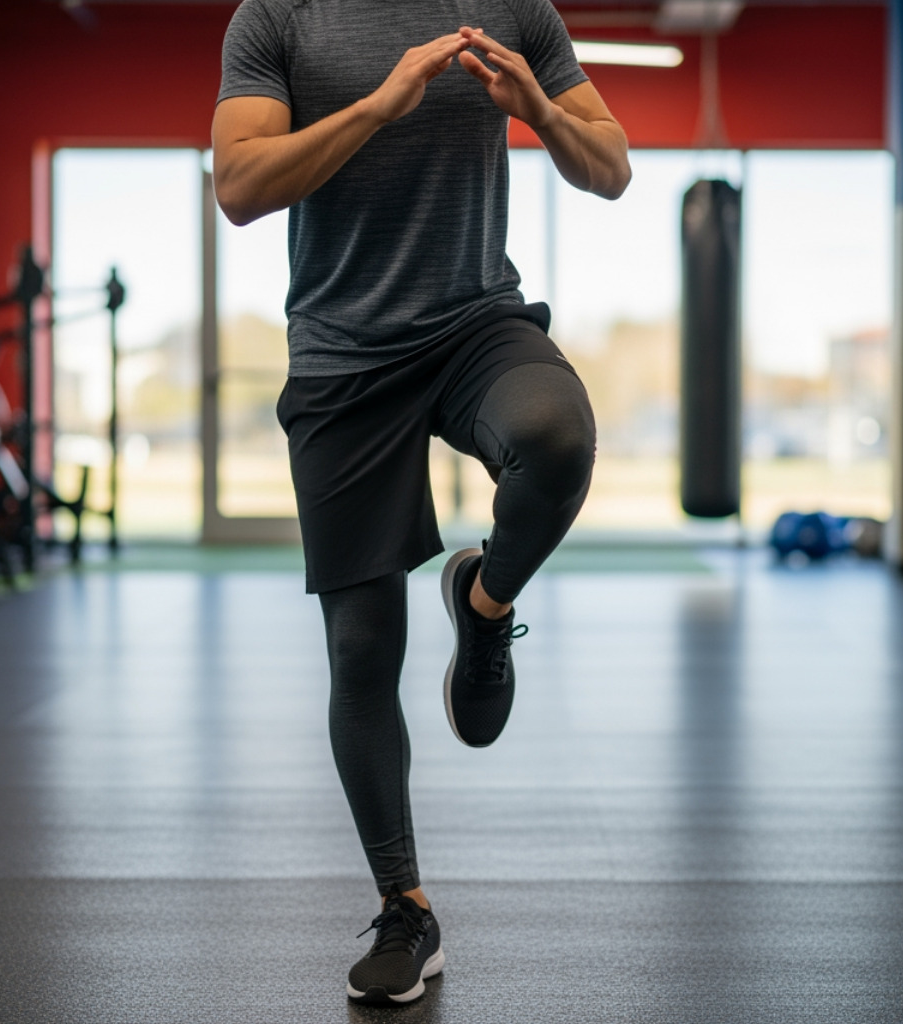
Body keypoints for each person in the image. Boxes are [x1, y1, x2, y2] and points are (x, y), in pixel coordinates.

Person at [213, 0, 629, 1005]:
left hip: (474, 324)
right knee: (362, 648)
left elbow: (610, 166)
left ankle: (485, 603)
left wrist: (535, 104)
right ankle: (406, 908)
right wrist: (378, 105)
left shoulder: (514, 10)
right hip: (344, 355)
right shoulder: (276, 17)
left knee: (556, 439)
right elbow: (238, 185)